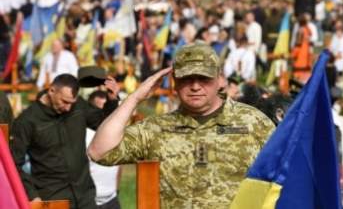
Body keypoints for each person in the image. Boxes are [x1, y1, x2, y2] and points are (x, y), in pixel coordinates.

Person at [88, 44, 275, 208]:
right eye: (187, 79)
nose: (195, 86)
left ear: (220, 80)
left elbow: (286, 179)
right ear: (174, 82)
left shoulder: (253, 123)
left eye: (204, 78)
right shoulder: (158, 129)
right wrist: (135, 98)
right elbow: (99, 151)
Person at [10, 74, 120, 209]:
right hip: (53, 198)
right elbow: (13, 164)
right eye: (64, 101)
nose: (68, 108)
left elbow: (103, 123)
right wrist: (31, 194)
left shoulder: (78, 105)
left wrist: (112, 101)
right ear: (51, 91)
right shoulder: (26, 121)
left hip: (85, 194)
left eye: (71, 103)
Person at [86, 91, 121, 209]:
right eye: (98, 109)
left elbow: (119, 163)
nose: (103, 114)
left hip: (112, 200)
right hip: (89, 201)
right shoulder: (83, 135)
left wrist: (116, 189)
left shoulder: (116, 134)